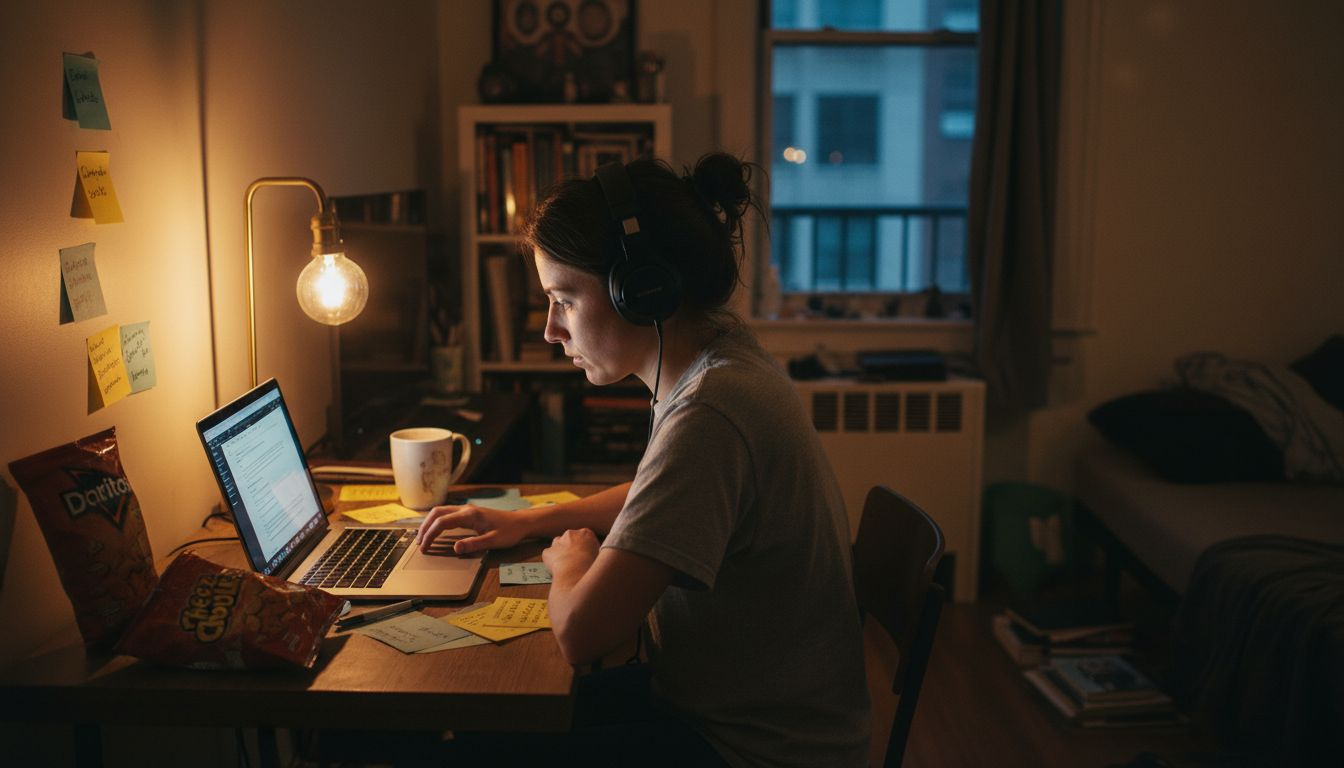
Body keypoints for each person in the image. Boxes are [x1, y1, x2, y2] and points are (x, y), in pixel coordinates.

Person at [417, 153, 871, 767]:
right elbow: (657, 496)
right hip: (741, 719)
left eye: (564, 300)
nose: (551, 330)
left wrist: (574, 562)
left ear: (642, 291)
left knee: (462, 747)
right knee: (483, 730)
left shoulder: (710, 411)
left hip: (750, 750)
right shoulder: (718, 359)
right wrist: (533, 521)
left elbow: (582, 634)